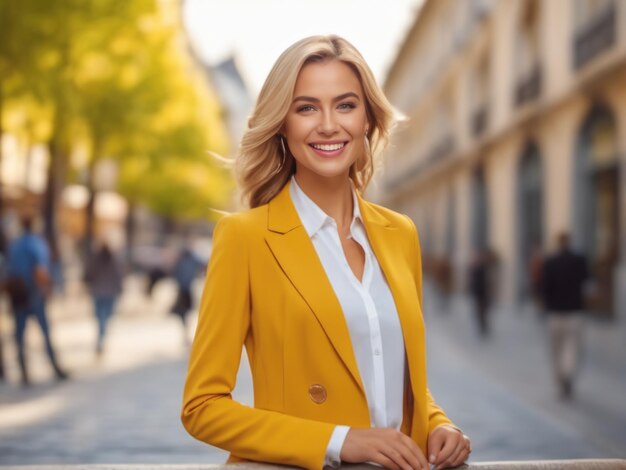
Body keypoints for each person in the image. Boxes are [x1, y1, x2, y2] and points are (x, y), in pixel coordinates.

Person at [181, 35, 471, 470]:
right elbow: (201, 406)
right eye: (306, 108)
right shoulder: (244, 238)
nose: (329, 125)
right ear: (283, 123)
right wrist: (338, 441)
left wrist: (439, 425)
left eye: (346, 105)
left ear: (368, 119)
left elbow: (392, 372)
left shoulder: (400, 234)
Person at [5, 216, 67, 385]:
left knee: (19, 334)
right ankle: (54, 366)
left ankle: (23, 370)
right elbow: (40, 270)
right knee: (45, 331)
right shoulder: (36, 243)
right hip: (33, 293)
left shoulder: (15, 244)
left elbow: (8, 269)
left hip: (17, 294)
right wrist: (48, 289)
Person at [540, 232, 588, 399]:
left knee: (556, 349)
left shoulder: (550, 262)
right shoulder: (578, 260)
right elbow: (586, 281)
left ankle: (561, 377)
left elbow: (544, 287)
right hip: (575, 311)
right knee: (572, 347)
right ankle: (568, 373)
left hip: (555, 312)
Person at [84, 242, 124, 355]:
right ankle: (101, 339)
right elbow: (119, 275)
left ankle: (100, 338)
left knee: (101, 318)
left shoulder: (96, 260)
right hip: (109, 292)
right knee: (104, 318)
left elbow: (88, 274)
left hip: (98, 292)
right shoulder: (114, 260)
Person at [170, 245, 204, 344]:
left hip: (182, 290)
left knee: (183, 313)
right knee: (185, 313)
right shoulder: (192, 261)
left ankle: (186, 332)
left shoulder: (180, 261)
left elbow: (174, 274)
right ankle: (186, 332)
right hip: (187, 290)